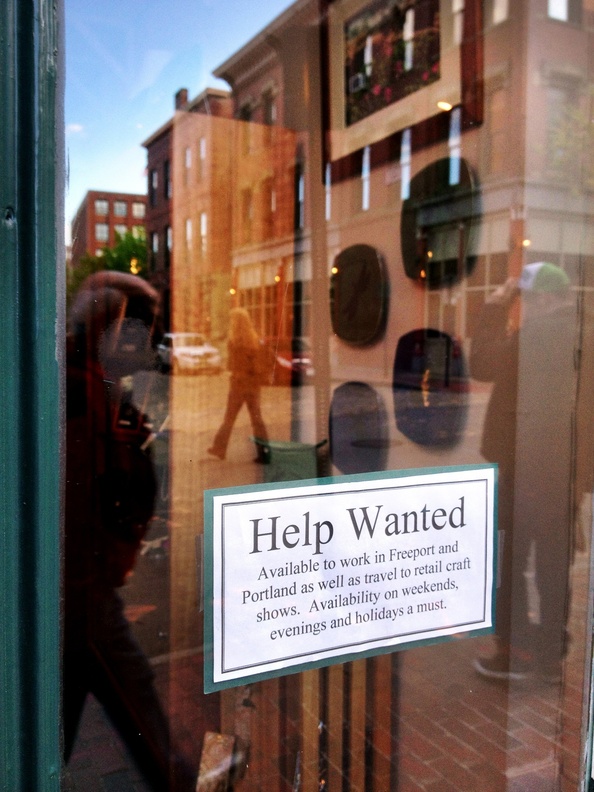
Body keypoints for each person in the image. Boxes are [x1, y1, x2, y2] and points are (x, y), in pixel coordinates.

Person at [64, 271, 197, 791]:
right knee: (140, 706)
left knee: (66, 709)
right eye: (144, 331)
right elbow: (79, 509)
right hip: (83, 599)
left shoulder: (98, 391)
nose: (150, 347)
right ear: (114, 330)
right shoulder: (83, 396)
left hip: (84, 596)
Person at [470, 262, 581, 681]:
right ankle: (550, 655)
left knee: (508, 561)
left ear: (548, 300)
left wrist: (496, 307)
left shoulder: (537, 336)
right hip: (561, 470)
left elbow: (481, 363)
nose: (526, 309)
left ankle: (513, 654)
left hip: (523, 469)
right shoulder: (583, 335)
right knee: (555, 564)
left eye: (530, 301)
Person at [208, 307, 269, 462]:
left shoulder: (234, 342)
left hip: (238, 386)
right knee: (257, 419)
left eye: (232, 320)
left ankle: (219, 448)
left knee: (229, 419)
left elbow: (232, 366)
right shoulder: (253, 339)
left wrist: (237, 373)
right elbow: (256, 366)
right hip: (253, 386)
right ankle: (264, 453)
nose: (231, 323)